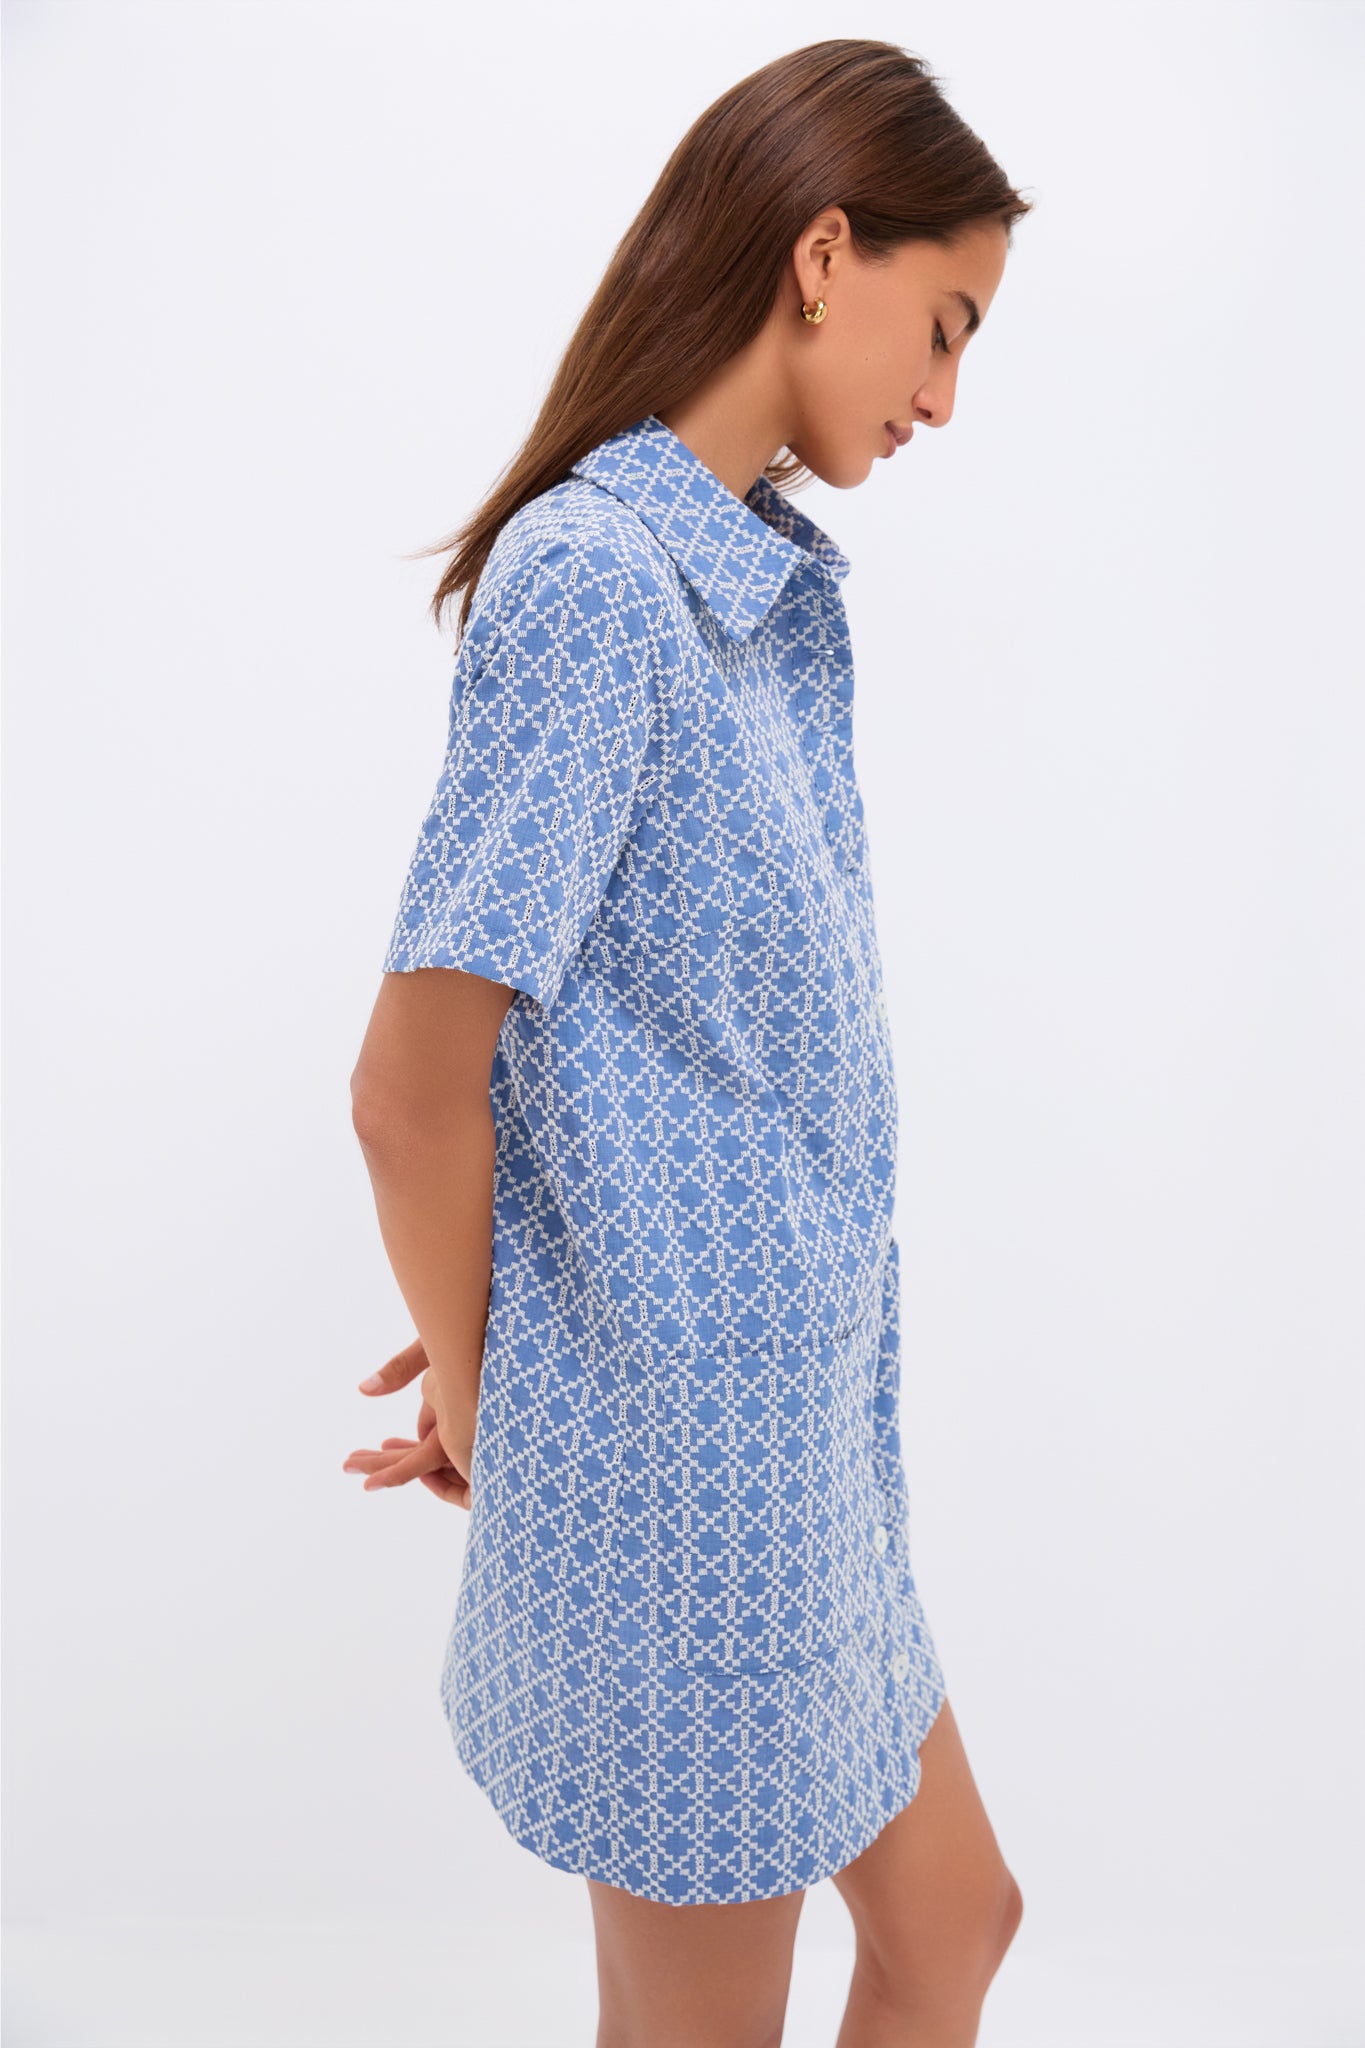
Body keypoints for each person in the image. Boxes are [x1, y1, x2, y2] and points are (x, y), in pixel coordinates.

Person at [345, 36, 1029, 2048]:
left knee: (954, 1923)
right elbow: (407, 1085)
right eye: (942, 323)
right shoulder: (594, 581)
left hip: (809, 1467)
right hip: (672, 1516)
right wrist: (501, 1397)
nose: (940, 397)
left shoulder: (746, 585)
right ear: (824, 252)